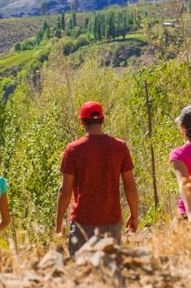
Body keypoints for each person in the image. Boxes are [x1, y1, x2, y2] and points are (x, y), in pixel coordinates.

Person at [56, 101, 140, 256]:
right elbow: (130, 186)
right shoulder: (120, 147)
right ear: (103, 120)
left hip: (83, 223)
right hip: (112, 220)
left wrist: (59, 221)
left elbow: (65, 190)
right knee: (110, 270)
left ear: (82, 122)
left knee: (81, 272)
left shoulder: (73, 149)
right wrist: (134, 215)